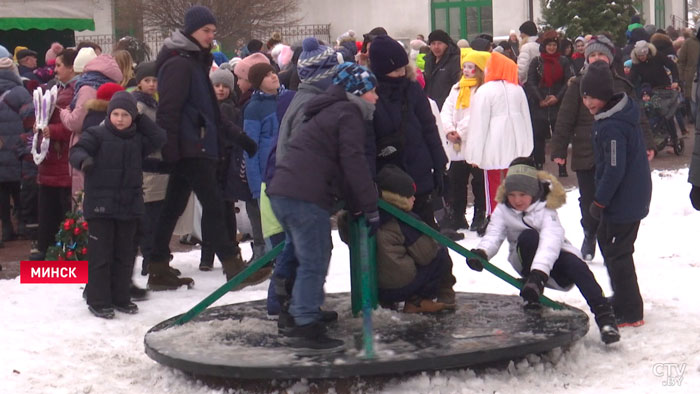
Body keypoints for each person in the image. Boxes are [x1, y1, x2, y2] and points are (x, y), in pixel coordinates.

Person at [149, 5, 263, 290]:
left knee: (173, 206)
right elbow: (169, 110)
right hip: (190, 148)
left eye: (213, 31)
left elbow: (212, 112)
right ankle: (233, 267)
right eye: (206, 31)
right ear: (191, 31)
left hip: (194, 145)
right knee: (213, 206)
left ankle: (157, 267)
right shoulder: (179, 63)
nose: (211, 36)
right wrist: (170, 149)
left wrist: (240, 138)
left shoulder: (194, 61)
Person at [266, 62, 379, 350]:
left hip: (285, 191)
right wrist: (369, 205)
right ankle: (304, 323)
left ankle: (298, 309)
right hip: (304, 196)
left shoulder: (328, 112)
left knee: (309, 252)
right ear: (357, 91)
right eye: (372, 91)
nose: (376, 97)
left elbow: (339, 165)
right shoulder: (348, 113)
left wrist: (355, 202)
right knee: (314, 258)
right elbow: (353, 162)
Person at [467, 157, 620, 344]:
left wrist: (539, 275)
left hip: (552, 264)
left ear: (533, 191)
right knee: (528, 237)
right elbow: (494, 234)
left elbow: (550, 243)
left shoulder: (547, 210)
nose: (516, 200)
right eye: (512, 194)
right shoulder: (503, 210)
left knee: (578, 266)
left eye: (522, 194)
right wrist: (482, 253)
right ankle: (533, 294)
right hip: (525, 259)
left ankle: (605, 318)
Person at [551, 35, 655, 262]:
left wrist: (647, 142)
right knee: (589, 198)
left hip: (615, 151)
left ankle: (609, 237)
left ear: (609, 59)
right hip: (586, 149)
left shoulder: (621, 85)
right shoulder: (578, 84)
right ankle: (590, 232)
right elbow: (565, 118)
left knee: (612, 194)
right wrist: (559, 148)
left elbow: (639, 117)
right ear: (587, 58)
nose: (597, 59)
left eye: (601, 55)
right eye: (593, 55)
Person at [69, 91, 165, 318]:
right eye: (115, 114)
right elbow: (77, 150)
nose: (120, 119)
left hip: (129, 206)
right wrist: (84, 160)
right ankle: (99, 299)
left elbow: (160, 139)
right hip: (101, 207)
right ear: (109, 115)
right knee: (101, 255)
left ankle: (121, 297)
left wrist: (141, 118)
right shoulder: (97, 134)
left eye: (125, 115)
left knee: (125, 255)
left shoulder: (138, 140)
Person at [580, 61, 652, 328]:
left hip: (624, 200)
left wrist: (599, 201)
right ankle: (623, 298)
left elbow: (613, 168)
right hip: (626, 198)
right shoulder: (611, 118)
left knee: (617, 251)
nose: (589, 102)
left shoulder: (611, 126)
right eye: (585, 97)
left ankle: (630, 310)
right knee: (610, 245)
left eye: (593, 97)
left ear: (606, 95)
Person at [370, 35, 448, 231]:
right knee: (397, 236)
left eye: (403, 68)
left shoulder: (412, 88)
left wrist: (440, 166)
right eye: (395, 70)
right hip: (389, 177)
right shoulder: (371, 94)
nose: (401, 73)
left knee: (427, 238)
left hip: (419, 172)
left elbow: (429, 127)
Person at [353, 164, 454, 313]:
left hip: (369, 285)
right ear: (399, 198)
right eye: (410, 195)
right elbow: (426, 254)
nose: (414, 198)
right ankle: (419, 301)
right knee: (440, 254)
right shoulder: (403, 220)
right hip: (399, 286)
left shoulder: (362, 215)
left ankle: (386, 302)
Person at [465, 51, 533, 231]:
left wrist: (474, 154)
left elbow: (479, 124)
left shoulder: (485, 91)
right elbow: (527, 119)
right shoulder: (517, 89)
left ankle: (495, 219)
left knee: (493, 183)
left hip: (492, 145)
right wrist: (528, 147)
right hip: (516, 145)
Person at [31, 49, 78, 261]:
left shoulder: (75, 91)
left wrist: (53, 130)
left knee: (62, 206)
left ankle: (63, 249)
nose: (55, 69)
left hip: (62, 158)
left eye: (59, 65)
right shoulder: (56, 89)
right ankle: (47, 247)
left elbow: (74, 124)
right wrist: (38, 125)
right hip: (50, 157)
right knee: (48, 206)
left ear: (71, 67)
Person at [440, 49, 490, 232]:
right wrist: (449, 129)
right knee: (456, 180)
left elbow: (475, 114)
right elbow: (446, 110)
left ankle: (479, 214)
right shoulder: (456, 88)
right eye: (465, 67)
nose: (467, 71)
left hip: (474, 142)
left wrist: (460, 131)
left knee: (478, 182)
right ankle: (458, 214)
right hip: (457, 145)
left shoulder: (482, 89)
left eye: (471, 67)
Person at [525, 30, 573, 171]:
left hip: (558, 102)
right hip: (540, 102)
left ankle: (561, 164)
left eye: (554, 45)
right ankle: (539, 162)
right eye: (549, 45)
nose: (551, 48)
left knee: (559, 134)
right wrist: (540, 99)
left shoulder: (563, 61)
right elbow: (531, 82)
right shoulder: (536, 61)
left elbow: (568, 82)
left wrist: (557, 97)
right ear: (544, 46)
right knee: (538, 134)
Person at [0, 46, 34, 243]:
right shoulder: (20, 91)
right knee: (18, 185)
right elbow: (31, 119)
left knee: (2, 189)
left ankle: (5, 227)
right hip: (17, 145)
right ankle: (21, 221)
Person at [423, 29, 461, 110]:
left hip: (447, 107)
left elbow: (458, 84)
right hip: (431, 106)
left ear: (446, 45)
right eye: (433, 44)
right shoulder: (429, 61)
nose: (436, 47)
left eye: (439, 43)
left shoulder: (455, 61)